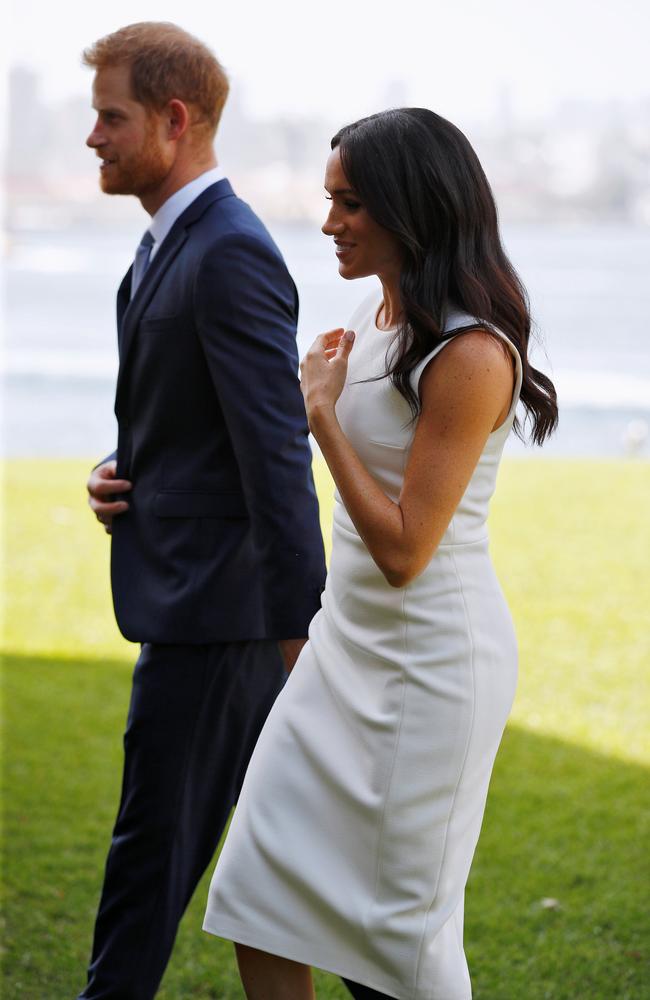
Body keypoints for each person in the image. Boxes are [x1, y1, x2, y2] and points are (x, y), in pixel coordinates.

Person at [203, 108, 558, 1000]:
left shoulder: (471, 352)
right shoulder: (370, 313)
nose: (330, 225)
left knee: (399, 941)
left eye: (351, 204)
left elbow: (404, 549)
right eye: (330, 201)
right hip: (342, 648)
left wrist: (321, 414)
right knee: (254, 890)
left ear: (414, 205)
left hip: (430, 668)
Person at [79, 21, 326, 1000]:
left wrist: (294, 631)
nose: (92, 138)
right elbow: (195, 426)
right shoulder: (171, 243)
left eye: (111, 116)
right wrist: (121, 470)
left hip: (224, 621)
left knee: (150, 867)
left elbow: (275, 454)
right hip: (191, 603)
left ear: (174, 120)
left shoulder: (226, 252)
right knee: (208, 865)